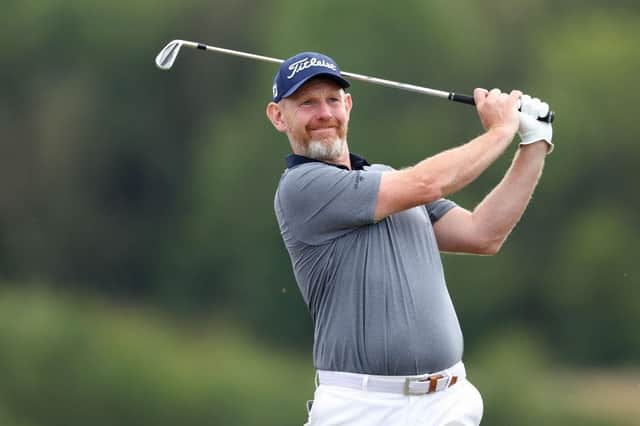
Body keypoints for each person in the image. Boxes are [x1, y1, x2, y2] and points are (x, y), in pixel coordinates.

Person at [266, 51, 553, 426]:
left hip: (450, 402)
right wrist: (500, 130)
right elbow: (425, 181)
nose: (324, 113)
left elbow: (483, 233)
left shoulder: (387, 182)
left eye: (332, 99)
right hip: (363, 407)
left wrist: (534, 143)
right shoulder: (302, 188)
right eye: (307, 103)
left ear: (348, 106)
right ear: (278, 116)